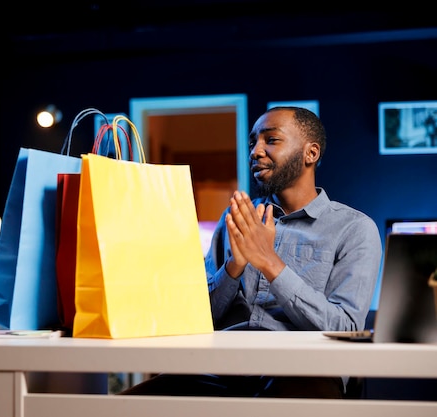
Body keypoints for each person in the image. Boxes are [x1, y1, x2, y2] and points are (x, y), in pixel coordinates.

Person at [120, 106, 383, 398]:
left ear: (311, 153)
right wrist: (234, 266)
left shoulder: (354, 229)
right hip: (220, 367)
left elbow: (345, 330)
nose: (256, 151)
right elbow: (198, 319)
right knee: (124, 406)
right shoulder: (236, 218)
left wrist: (268, 262)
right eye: (252, 143)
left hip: (304, 369)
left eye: (271, 140)